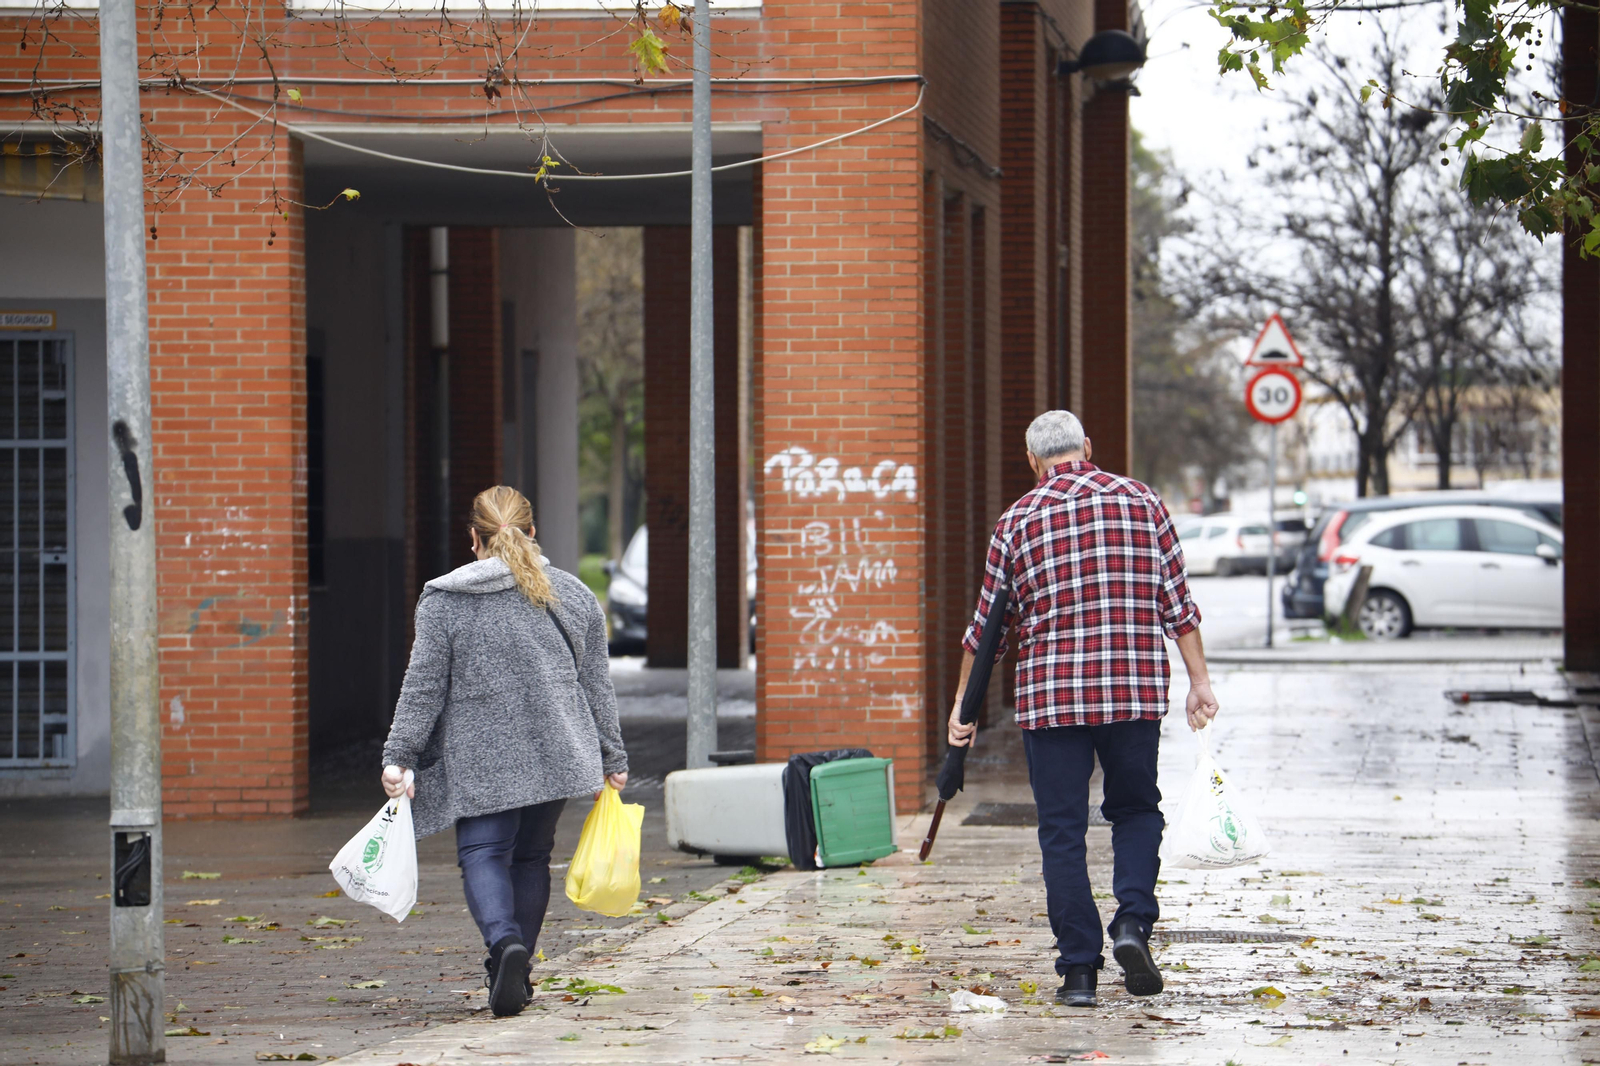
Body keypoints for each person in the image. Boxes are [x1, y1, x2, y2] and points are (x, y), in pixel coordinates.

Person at [948, 410, 1218, 1009]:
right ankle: (1132, 925)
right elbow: (1179, 604)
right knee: (1136, 810)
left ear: (1032, 461)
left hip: (1052, 700)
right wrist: (1198, 682)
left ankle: (1078, 973)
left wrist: (961, 708)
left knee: (1062, 832)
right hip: (1131, 691)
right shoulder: (1143, 503)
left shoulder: (1015, 522)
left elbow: (987, 629)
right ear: (1087, 447)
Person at [379, 485, 629, 1018]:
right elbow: (596, 687)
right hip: (559, 750)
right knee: (532, 857)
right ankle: (517, 967)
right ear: (532, 532)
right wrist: (613, 758)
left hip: (480, 756)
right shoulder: (574, 594)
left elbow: (422, 686)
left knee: (483, 853)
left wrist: (399, 753)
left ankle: (503, 945)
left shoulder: (446, 599)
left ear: (473, 538)